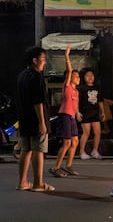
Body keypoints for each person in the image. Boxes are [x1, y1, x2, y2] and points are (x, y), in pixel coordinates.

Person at [16, 46, 55, 192]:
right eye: (43, 59)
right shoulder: (36, 76)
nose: (44, 63)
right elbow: (38, 101)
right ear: (35, 60)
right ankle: (39, 184)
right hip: (36, 119)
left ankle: (23, 182)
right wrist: (42, 122)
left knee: (26, 150)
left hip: (24, 119)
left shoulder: (22, 76)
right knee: (38, 150)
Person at [49, 45, 81, 178]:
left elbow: (76, 104)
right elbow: (69, 71)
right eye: (75, 76)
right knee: (67, 142)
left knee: (75, 142)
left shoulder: (76, 91)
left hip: (72, 116)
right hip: (65, 115)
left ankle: (68, 165)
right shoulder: (67, 87)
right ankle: (55, 167)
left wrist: (78, 113)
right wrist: (67, 56)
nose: (77, 78)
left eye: (78, 76)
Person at [78, 68, 105, 160]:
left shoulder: (97, 87)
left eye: (92, 75)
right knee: (86, 133)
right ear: (84, 77)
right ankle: (81, 152)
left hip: (95, 112)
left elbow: (100, 100)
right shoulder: (81, 88)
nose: (90, 77)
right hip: (85, 112)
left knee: (98, 132)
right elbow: (77, 101)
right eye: (87, 75)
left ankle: (95, 151)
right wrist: (77, 112)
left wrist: (102, 112)